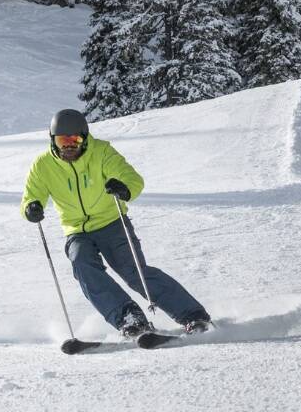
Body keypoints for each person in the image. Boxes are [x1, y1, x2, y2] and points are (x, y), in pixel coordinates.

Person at [20, 109, 212, 339]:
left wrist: (123, 187)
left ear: (84, 137)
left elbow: (132, 178)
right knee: (82, 265)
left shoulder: (101, 152)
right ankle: (130, 319)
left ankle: (192, 315)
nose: (68, 146)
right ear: (53, 140)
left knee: (134, 272)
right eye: (63, 140)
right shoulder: (43, 165)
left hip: (112, 222)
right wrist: (31, 207)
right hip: (76, 231)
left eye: (75, 140)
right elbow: (31, 195)